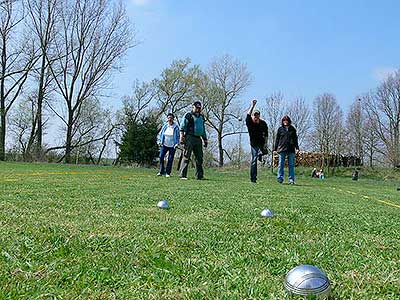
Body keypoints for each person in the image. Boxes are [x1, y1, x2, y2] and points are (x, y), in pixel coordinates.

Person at [179, 101, 208, 180]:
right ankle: (183, 175)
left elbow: (203, 129)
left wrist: (205, 139)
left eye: (199, 108)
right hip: (189, 137)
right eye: (196, 108)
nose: (198, 109)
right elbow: (182, 126)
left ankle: (199, 175)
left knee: (199, 158)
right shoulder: (188, 115)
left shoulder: (202, 117)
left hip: (198, 139)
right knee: (186, 156)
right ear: (193, 107)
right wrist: (181, 136)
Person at [246, 99, 268, 183]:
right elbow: (248, 114)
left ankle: (260, 154)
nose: (255, 117)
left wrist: (266, 144)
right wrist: (253, 105)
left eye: (257, 115)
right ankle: (253, 179)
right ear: (253, 116)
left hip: (261, 143)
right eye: (254, 115)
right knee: (254, 159)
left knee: (263, 153)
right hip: (254, 144)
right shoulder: (250, 123)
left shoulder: (263, 124)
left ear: (259, 116)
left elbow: (266, 134)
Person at [274, 115, 299, 184]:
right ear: (282, 121)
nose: (285, 122)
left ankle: (291, 179)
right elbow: (277, 140)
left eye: (286, 120)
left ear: (289, 121)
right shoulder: (280, 129)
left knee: (291, 165)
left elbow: (295, 139)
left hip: (291, 149)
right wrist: (275, 149)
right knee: (281, 164)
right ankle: (280, 178)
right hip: (282, 148)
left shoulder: (292, 129)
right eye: (284, 120)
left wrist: (297, 148)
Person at [157, 113, 180, 177]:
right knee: (161, 157)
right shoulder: (165, 126)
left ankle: (168, 173)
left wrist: (177, 144)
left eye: (171, 118)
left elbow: (178, 136)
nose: (170, 119)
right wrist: (159, 141)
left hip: (172, 146)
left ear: (173, 119)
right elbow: (161, 134)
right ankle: (161, 171)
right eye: (168, 118)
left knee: (170, 159)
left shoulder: (176, 127)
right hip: (164, 144)